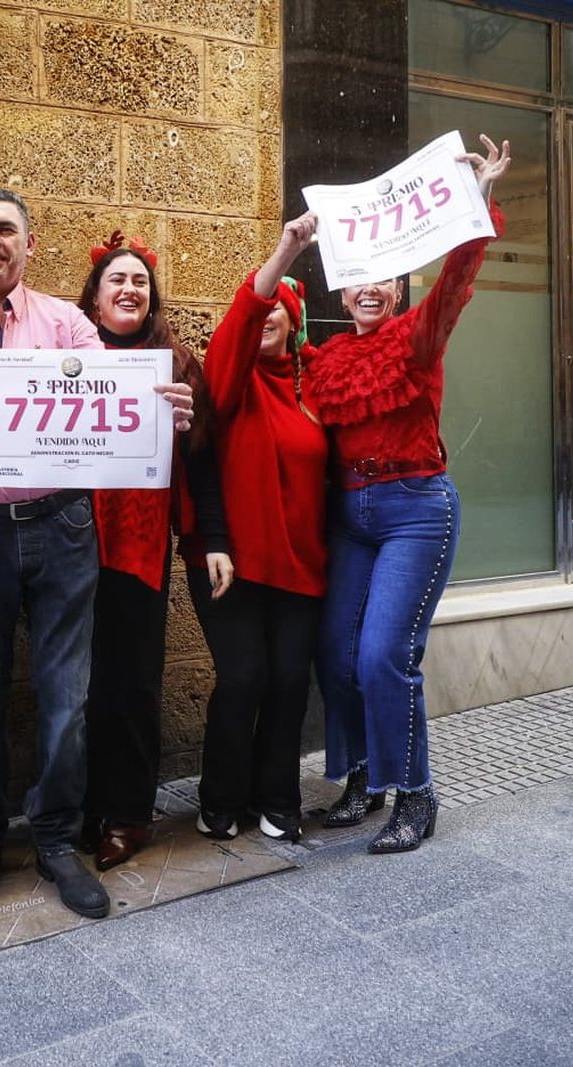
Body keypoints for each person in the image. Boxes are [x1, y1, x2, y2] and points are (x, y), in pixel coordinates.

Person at [0, 189, 193, 920]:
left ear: (28, 245)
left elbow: (107, 392)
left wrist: (159, 411)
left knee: (68, 697)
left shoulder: (68, 322)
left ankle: (58, 839)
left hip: (64, 524)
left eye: (7, 229)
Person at [305, 135, 511, 852]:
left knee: (382, 654)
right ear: (341, 289)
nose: (369, 290)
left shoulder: (416, 339)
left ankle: (416, 794)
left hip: (415, 510)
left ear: (396, 289)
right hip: (349, 516)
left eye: (383, 280)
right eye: (357, 280)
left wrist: (479, 198)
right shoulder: (326, 360)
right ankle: (364, 777)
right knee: (335, 654)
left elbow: (454, 286)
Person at [75, 232, 229, 871]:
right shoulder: (64, 354)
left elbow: (204, 464)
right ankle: (84, 807)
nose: (129, 289)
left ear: (151, 295)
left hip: (139, 546)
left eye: (140, 280)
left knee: (132, 683)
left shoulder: (177, 366)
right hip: (70, 544)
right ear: (95, 295)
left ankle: (129, 814)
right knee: (73, 684)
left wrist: (214, 538)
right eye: (117, 279)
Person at [193, 221, 327, 845]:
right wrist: (286, 252)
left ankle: (278, 798)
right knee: (243, 677)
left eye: (281, 308)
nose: (268, 313)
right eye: (262, 306)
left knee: (290, 683)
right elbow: (243, 318)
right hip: (232, 564)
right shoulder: (230, 379)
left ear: (296, 321)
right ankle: (220, 797)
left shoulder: (316, 384)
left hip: (303, 566)